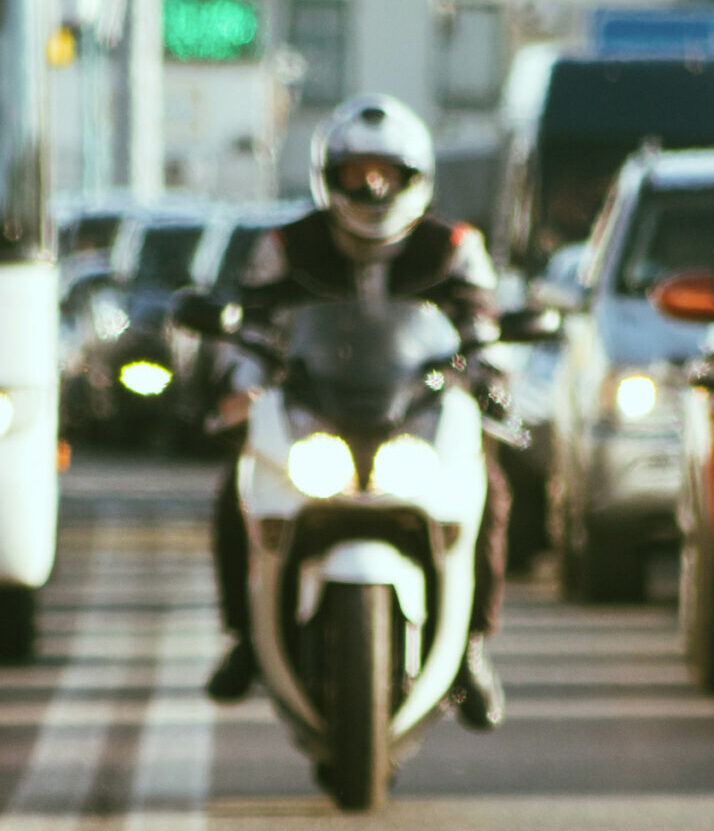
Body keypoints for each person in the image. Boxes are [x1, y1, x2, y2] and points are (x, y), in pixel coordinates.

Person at [202, 93, 511, 732]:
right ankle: (241, 635)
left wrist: (494, 384)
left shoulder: (454, 246)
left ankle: (474, 645)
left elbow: (485, 335)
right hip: (317, 415)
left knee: (492, 488)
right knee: (235, 490)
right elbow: (251, 335)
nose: (371, 186)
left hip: (415, 418)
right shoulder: (286, 246)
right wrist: (240, 386)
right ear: (329, 177)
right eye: (356, 172)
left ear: (413, 178)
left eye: (386, 173)